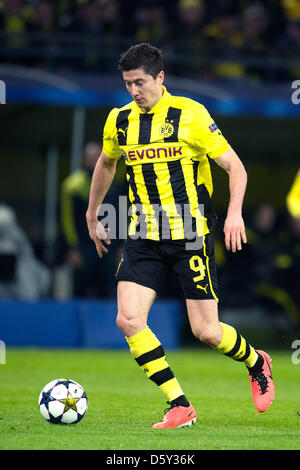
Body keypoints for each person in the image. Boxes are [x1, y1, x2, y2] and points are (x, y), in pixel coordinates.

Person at [86, 43, 275, 429]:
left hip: (190, 234)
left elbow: (234, 167)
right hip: (141, 233)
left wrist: (234, 213)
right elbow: (107, 162)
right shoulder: (118, 121)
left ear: (160, 77)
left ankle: (257, 361)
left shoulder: (190, 115)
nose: (134, 91)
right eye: (127, 84)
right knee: (128, 319)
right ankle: (179, 404)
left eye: (140, 82)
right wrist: (93, 213)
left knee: (206, 331)